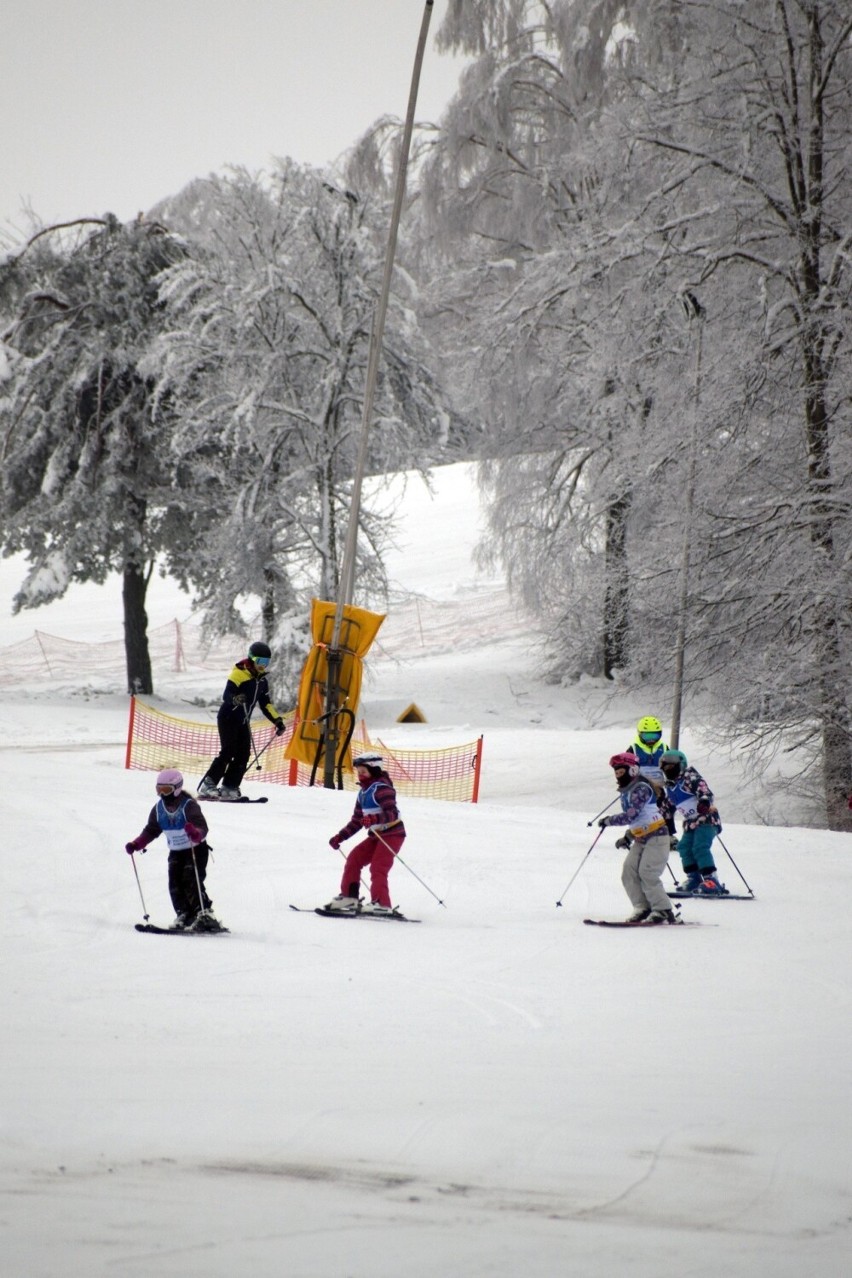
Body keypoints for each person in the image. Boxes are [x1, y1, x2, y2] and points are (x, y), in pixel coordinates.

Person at [125, 768, 221, 931]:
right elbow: (151, 829)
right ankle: (184, 914)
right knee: (174, 882)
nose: (163, 794)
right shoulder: (158, 809)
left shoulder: (189, 806)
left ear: (176, 788)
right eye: (159, 790)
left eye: (166, 790)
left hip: (195, 849)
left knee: (191, 879)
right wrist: (137, 844)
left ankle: (204, 914)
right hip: (176, 851)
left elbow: (202, 828)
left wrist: (195, 833)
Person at [198, 641, 286, 801]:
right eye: (260, 661)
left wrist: (277, 721)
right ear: (252, 659)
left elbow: (266, 704)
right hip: (228, 718)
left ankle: (229, 786)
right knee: (228, 752)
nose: (263, 666)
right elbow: (227, 695)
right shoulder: (239, 674)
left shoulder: (262, 681)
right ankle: (208, 785)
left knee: (243, 754)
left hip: (243, 721)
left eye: (266, 662)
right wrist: (235, 699)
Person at [598, 752, 677, 924]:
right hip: (641, 838)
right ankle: (642, 907)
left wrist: (608, 820)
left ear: (632, 770)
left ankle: (662, 909)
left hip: (657, 837)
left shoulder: (641, 788)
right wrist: (628, 835)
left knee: (647, 873)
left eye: (621, 772)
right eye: (616, 773)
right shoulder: (627, 790)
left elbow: (631, 816)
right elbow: (639, 821)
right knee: (629, 871)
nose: (619, 776)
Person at [324, 752, 406, 916]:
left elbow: (393, 814)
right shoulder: (363, 793)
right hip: (376, 836)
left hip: (392, 835)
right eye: (359, 771)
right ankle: (349, 897)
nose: (360, 775)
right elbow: (357, 821)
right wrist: (340, 837)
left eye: (364, 771)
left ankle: (382, 904)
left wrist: (375, 818)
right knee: (354, 858)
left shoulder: (382, 789)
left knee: (378, 867)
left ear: (375, 771)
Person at [658, 749, 725, 894]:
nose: (667, 770)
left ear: (680, 765)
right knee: (684, 847)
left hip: (706, 819)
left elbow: (704, 791)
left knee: (700, 847)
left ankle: (712, 879)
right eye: (664, 768)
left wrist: (704, 801)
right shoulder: (671, 786)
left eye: (670, 767)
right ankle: (694, 877)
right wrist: (662, 818)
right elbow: (668, 806)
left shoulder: (691, 777)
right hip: (691, 823)